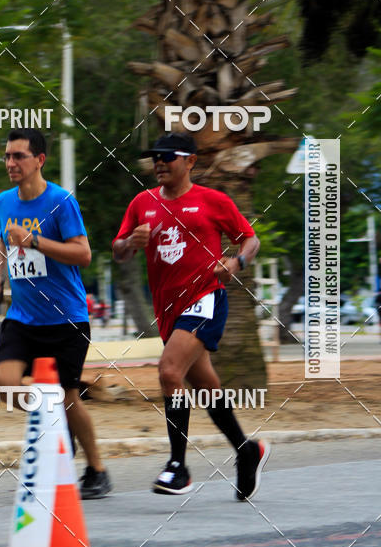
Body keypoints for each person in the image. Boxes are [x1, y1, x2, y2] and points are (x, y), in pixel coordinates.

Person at [112, 132, 269, 501]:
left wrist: (236, 261)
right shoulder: (141, 203)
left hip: (206, 298)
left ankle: (178, 467)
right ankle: (246, 449)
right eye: (155, 157)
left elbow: (250, 239)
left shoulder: (212, 201)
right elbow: (118, 251)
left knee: (169, 371)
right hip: (167, 310)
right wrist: (129, 244)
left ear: (191, 161)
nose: (160, 163)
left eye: (168, 156)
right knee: (205, 386)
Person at [0, 128, 111, 499]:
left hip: (66, 317)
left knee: (69, 396)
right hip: (23, 315)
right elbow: (5, 241)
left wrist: (36, 240)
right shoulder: (3, 201)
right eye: (8, 156)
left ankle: (97, 471)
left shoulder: (61, 201)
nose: (11, 163)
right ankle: (55, 429)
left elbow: (83, 254)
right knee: (3, 383)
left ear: (39, 160)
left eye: (19, 156)